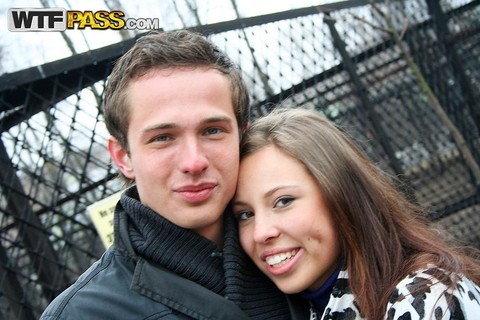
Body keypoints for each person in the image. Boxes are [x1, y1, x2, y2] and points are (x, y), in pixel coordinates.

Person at [41, 30, 290, 319]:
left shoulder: (305, 244)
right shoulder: (82, 315)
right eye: (163, 138)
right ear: (123, 157)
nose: (194, 162)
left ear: (240, 136)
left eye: (212, 131)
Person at [232, 107, 480, 319]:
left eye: (283, 201)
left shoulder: (422, 299)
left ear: (341, 195)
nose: (261, 233)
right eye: (245, 214)